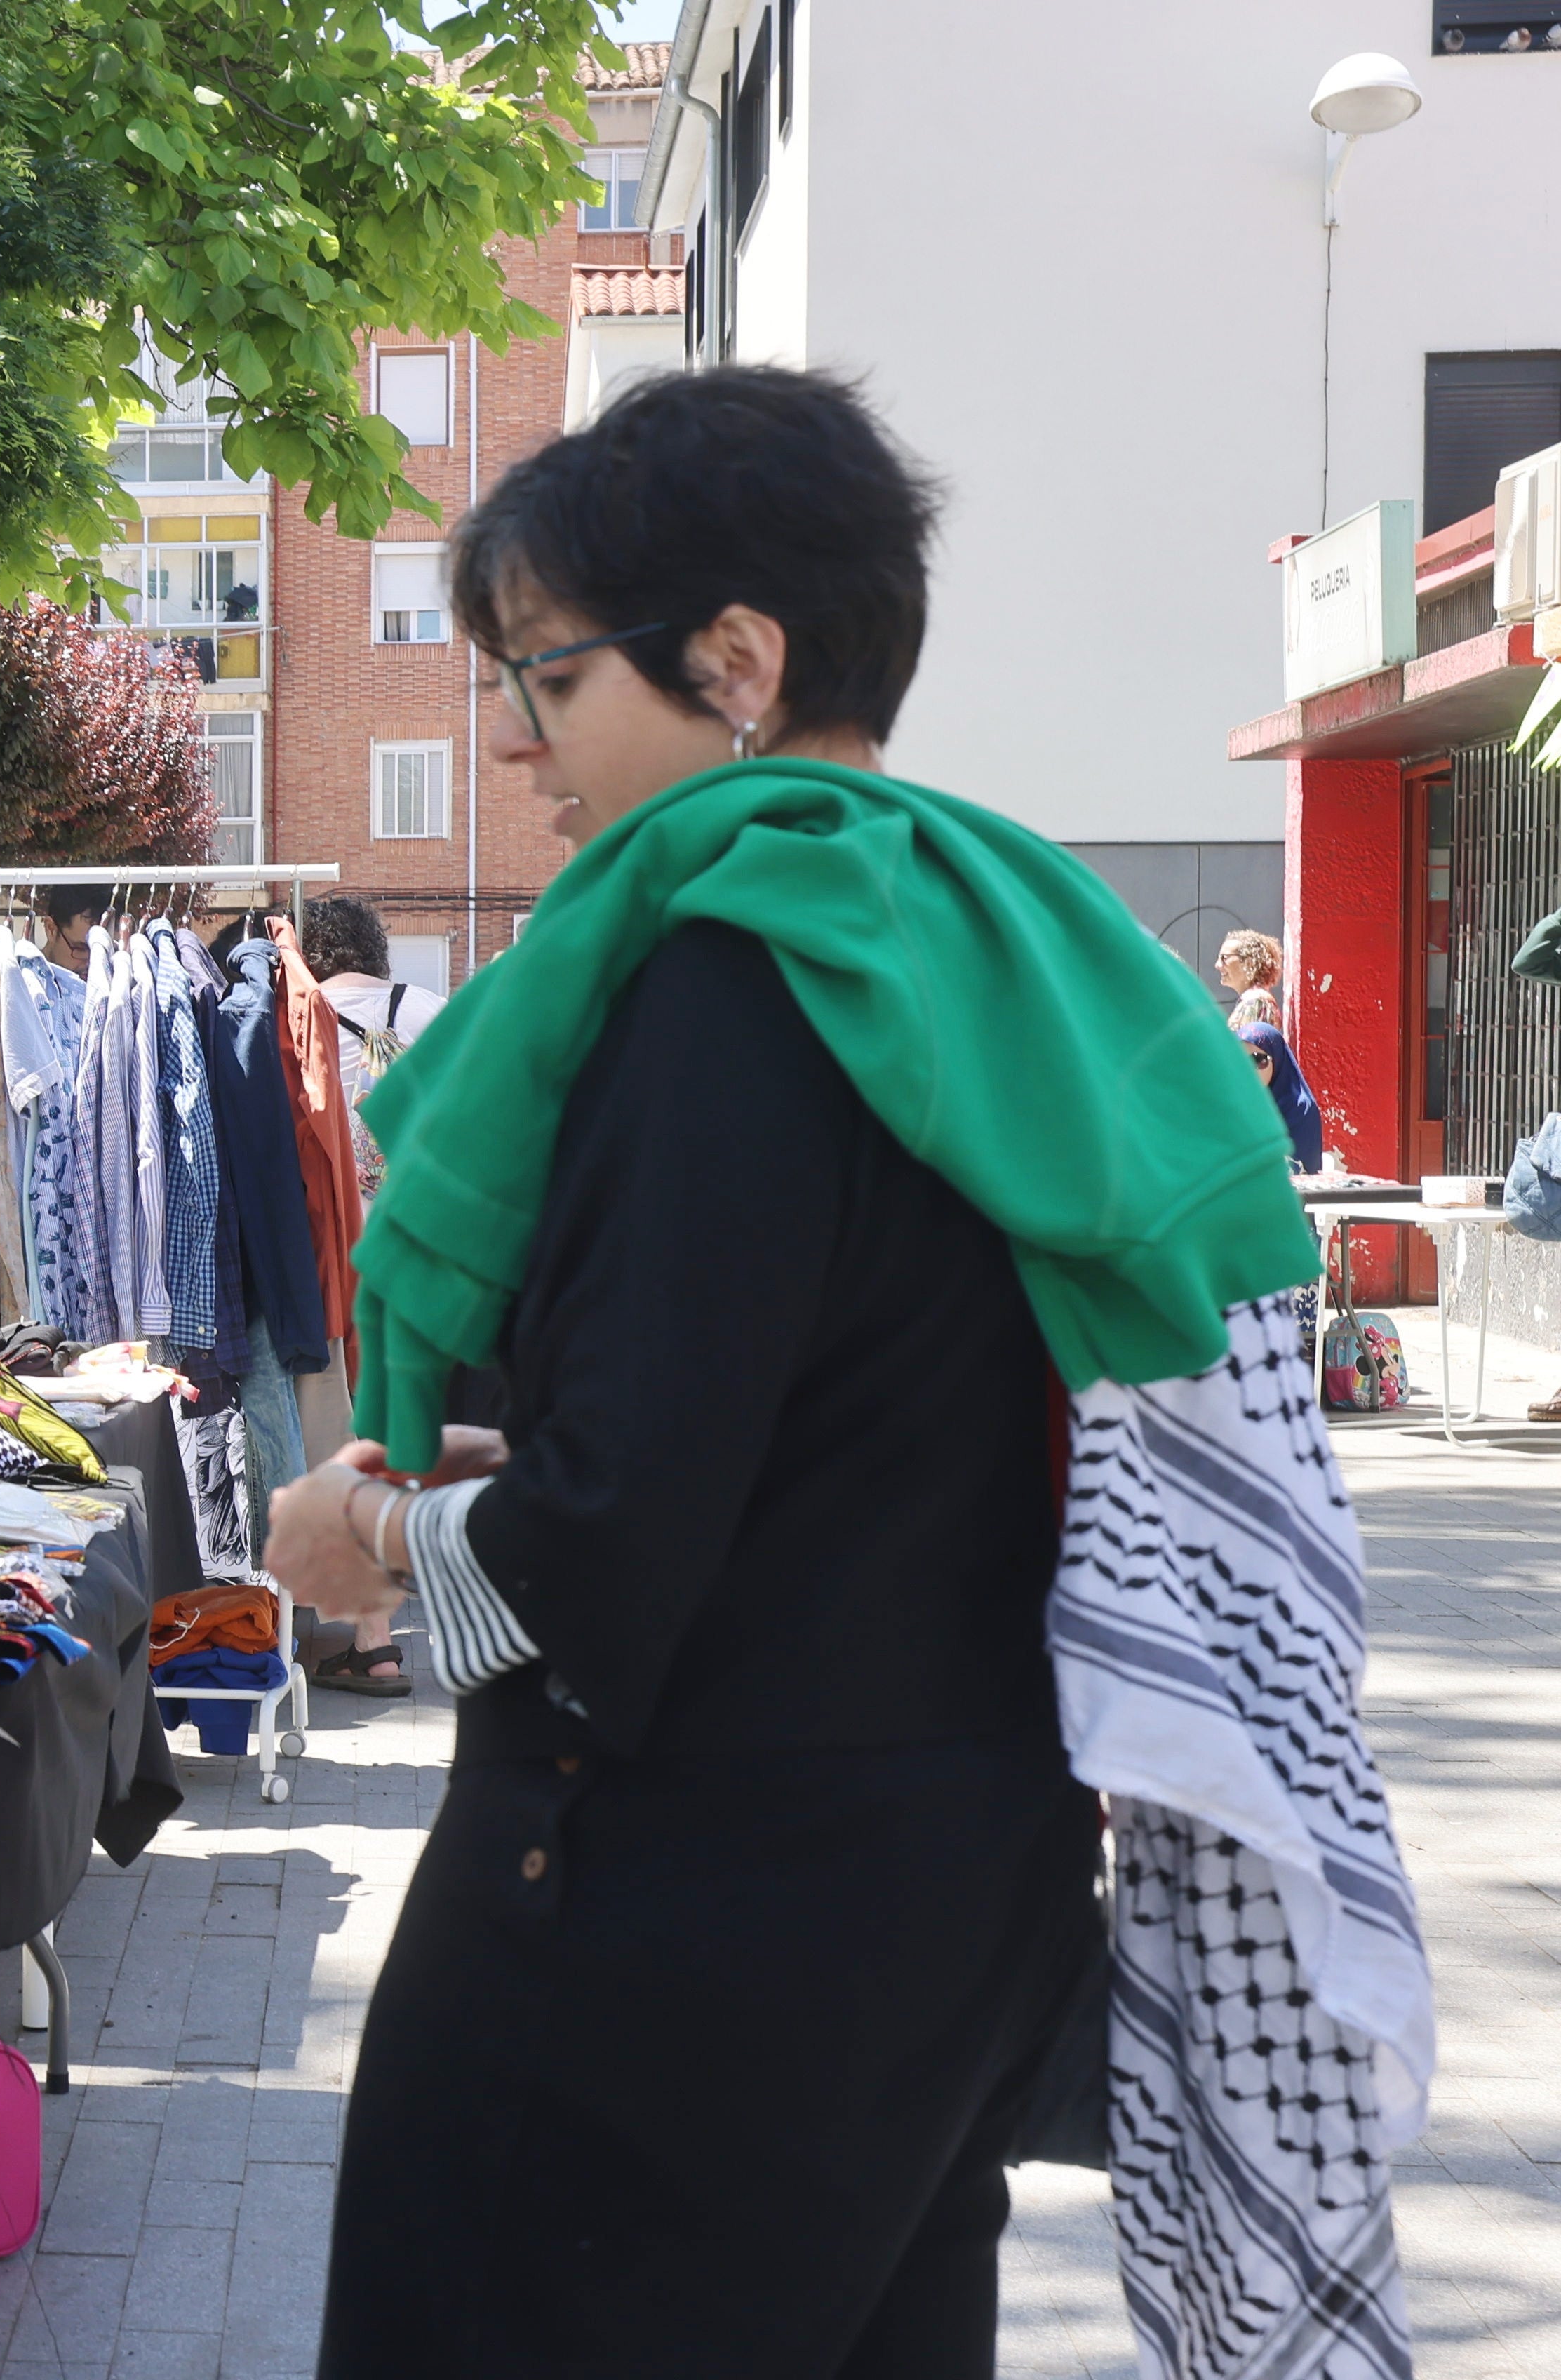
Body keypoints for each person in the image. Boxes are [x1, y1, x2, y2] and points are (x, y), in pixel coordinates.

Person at [262, 367, 1396, 2374]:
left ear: (737, 659)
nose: (517, 745)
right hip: (950, 1883)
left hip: (677, 1917)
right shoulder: (995, 947)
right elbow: (858, 1410)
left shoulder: (728, 974)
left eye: (545, 675)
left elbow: (606, 1550)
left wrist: (364, 1534)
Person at [1241, 1016, 1322, 1170]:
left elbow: (1298, 1167)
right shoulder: (1236, 1105)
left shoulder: (1300, 1109)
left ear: (1277, 1060)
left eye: (1258, 1060)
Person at [1217, 925, 1285, 1030]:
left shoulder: (1256, 1002)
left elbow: (1248, 1046)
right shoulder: (1254, 1000)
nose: (1218, 965)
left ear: (1248, 962)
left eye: (1224, 958)